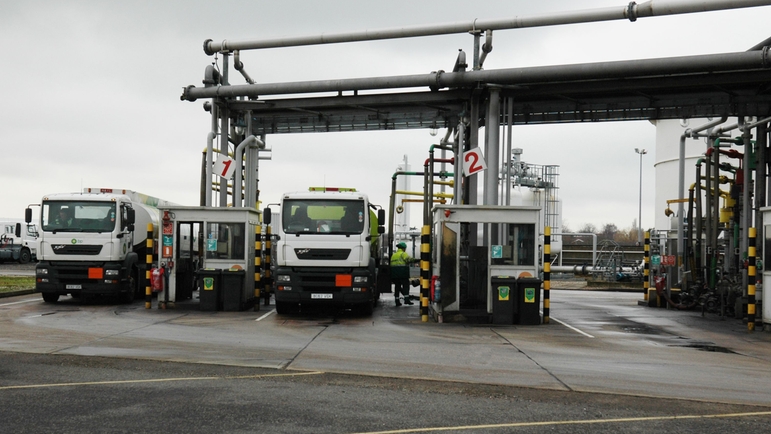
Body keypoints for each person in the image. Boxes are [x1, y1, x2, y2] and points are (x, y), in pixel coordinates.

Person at [390, 242, 414, 306]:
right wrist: (415, 260)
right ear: (403, 248)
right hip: (402, 273)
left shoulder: (393, 255)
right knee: (406, 286)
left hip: (394, 274)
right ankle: (406, 300)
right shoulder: (403, 254)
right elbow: (409, 260)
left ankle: (397, 301)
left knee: (397, 287)